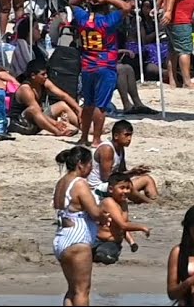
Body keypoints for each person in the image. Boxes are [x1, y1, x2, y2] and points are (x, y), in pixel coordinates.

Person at [70, 0, 133, 147]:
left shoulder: (83, 19)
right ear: (106, 7)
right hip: (105, 66)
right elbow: (127, 7)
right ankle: (96, 139)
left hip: (87, 66)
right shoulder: (108, 21)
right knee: (101, 105)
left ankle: (84, 137)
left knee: (88, 104)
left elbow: (72, 2)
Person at [53, 146, 108, 307]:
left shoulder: (62, 182)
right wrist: (104, 216)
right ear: (80, 164)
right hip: (77, 238)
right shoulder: (79, 183)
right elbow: (95, 213)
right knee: (82, 290)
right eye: (90, 164)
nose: (91, 169)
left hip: (62, 236)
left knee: (73, 290)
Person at [90, 120, 158, 204]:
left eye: (130, 135)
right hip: (99, 188)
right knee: (128, 187)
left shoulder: (120, 147)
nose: (129, 139)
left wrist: (134, 172)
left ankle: (155, 200)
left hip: (112, 184)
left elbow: (122, 173)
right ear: (116, 136)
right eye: (126, 135)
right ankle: (151, 203)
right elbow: (107, 178)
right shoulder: (107, 149)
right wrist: (130, 175)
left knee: (147, 179)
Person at [8, 61, 80, 137]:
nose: (46, 76)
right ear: (33, 76)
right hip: (22, 123)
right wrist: (56, 123)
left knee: (62, 104)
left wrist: (79, 109)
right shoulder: (25, 89)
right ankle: (58, 132)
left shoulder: (43, 82)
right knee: (33, 109)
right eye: (43, 74)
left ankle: (84, 127)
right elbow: (36, 110)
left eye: (46, 73)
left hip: (38, 118)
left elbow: (63, 95)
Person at [93, 172, 150, 265]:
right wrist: (142, 227)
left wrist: (132, 243)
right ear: (111, 189)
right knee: (88, 252)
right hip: (97, 240)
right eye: (122, 188)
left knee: (103, 254)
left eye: (128, 188)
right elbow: (123, 225)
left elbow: (123, 227)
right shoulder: (108, 202)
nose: (126, 191)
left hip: (112, 243)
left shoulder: (124, 204)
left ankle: (103, 254)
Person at [160, 0, 194, 89]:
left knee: (173, 50)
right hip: (180, 19)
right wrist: (168, 11)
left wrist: (158, 6)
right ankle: (187, 82)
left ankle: (173, 81)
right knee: (184, 50)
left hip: (176, 18)